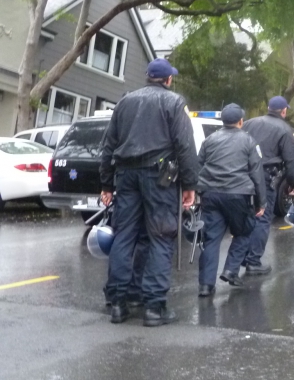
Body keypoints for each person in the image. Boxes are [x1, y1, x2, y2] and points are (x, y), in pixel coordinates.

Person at [100, 58, 198, 327]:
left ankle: (118, 303)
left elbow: (108, 146)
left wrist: (107, 184)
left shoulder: (125, 102)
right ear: (168, 80)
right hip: (160, 177)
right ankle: (154, 306)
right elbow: (185, 146)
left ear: (147, 77)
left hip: (126, 175)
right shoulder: (174, 103)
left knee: (124, 236)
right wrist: (190, 185)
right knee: (161, 237)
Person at [196, 104, 267, 297]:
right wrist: (262, 202)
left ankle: (205, 285)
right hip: (238, 194)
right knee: (244, 231)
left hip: (210, 193)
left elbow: (198, 164)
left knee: (211, 239)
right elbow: (256, 173)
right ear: (241, 121)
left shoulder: (210, 139)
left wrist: (197, 190)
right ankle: (230, 270)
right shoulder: (248, 141)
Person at [242, 95, 294, 275]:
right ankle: (253, 261)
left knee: (247, 217)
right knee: (262, 217)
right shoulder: (285, 129)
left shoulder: (249, 123)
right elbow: (292, 161)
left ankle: (242, 256)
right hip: (266, 176)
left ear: (268, 107)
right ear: (284, 111)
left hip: (243, 175)